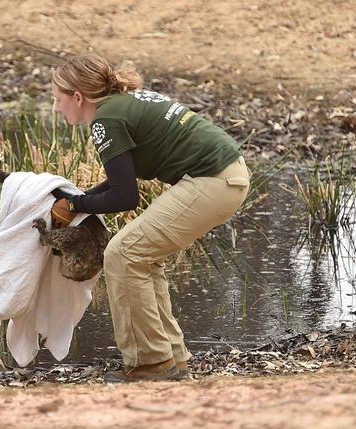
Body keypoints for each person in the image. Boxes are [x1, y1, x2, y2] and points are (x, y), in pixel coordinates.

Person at [49, 53, 250, 382]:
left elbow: (125, 197)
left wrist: (75, 206)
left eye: (58, 100)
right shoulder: (121, 103)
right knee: (141, 257)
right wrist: (76, 201)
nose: (57, 108)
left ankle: (150, 364)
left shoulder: (106, 120)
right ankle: (170, 358)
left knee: (123, 254)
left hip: (213, 180)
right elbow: (121, 181)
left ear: (77, 97)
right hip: (224, 175)